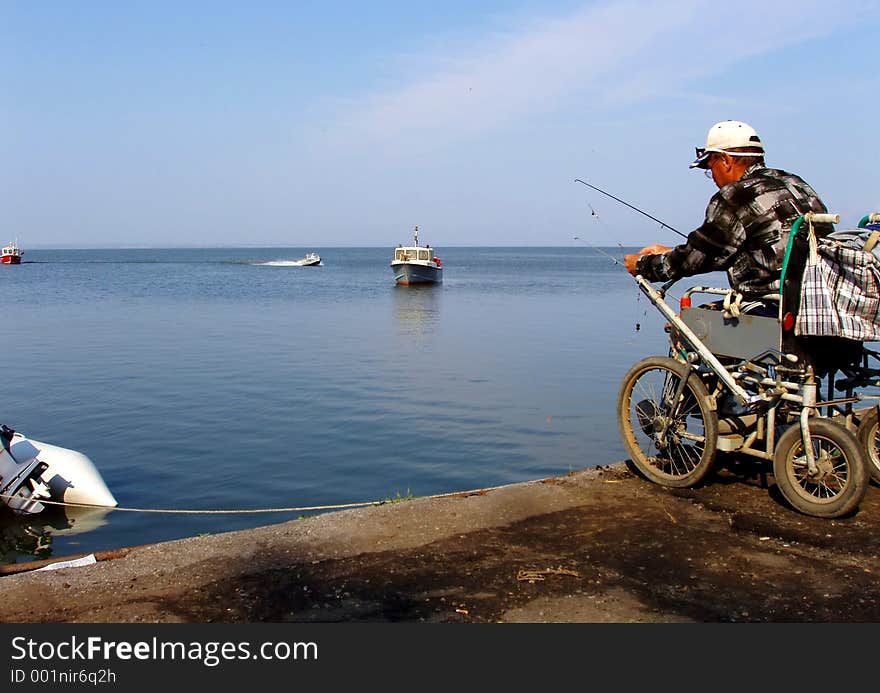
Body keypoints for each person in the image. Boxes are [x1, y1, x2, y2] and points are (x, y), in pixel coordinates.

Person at [624, 120, 830, 312]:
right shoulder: (796, 184)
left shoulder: (737, 195)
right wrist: (671, 251)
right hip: (818, 304)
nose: (712, 176)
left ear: (725, 160)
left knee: (693, 324)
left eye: (710, 167)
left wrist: (642, 264)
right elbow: (762, 246)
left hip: (774, 307)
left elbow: (694, 260)